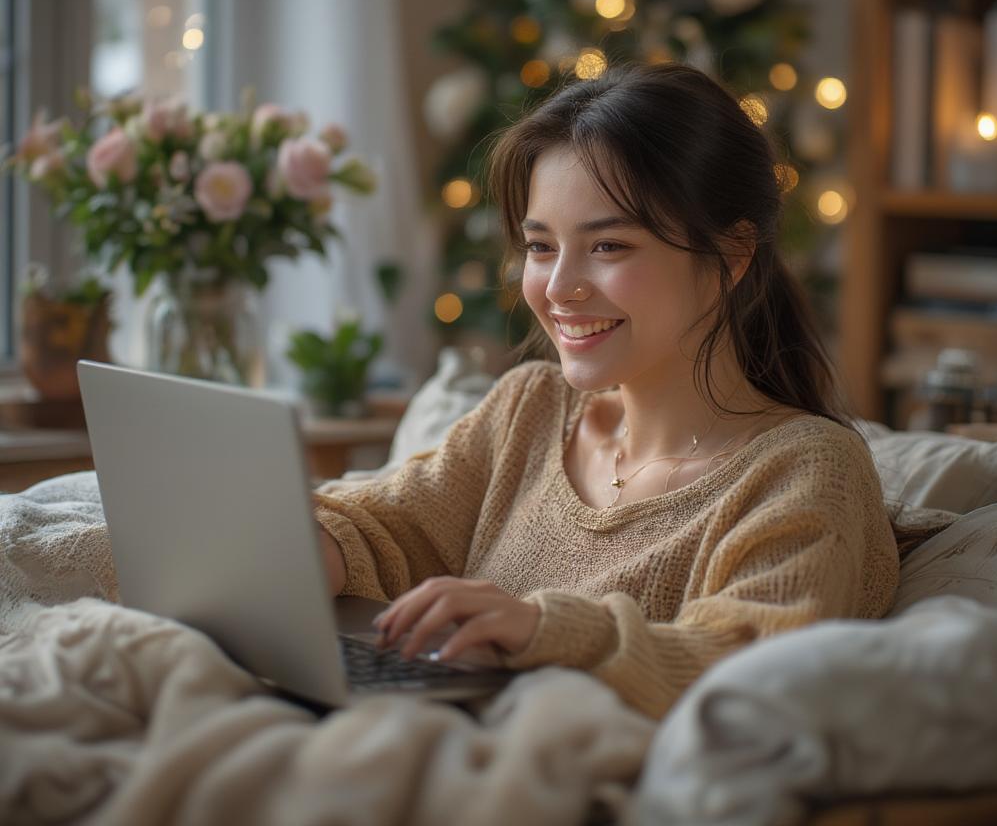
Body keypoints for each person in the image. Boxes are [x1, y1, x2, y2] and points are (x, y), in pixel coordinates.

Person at [314, 62, 899, 720]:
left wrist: (541, 630)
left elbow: (748, 668)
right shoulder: (528, 409)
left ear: (731, 258)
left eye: (609, 245)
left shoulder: (805, 471)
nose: (559, 288)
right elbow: (383, 528)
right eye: (540, 247)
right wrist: (308, 545)